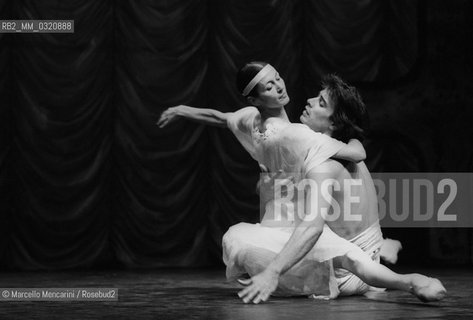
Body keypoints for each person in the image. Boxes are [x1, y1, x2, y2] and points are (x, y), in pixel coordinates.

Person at [232, 74, 446, 303]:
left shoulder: (326, 166)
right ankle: (382, 248)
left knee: (245, 247)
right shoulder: (345, 149)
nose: (310, 101)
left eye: (321, 103)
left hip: (349, 274)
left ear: (333, 123)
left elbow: (312, 228)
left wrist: (272, 272)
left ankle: (408, 279)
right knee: (290, 214)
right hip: (368, 255)